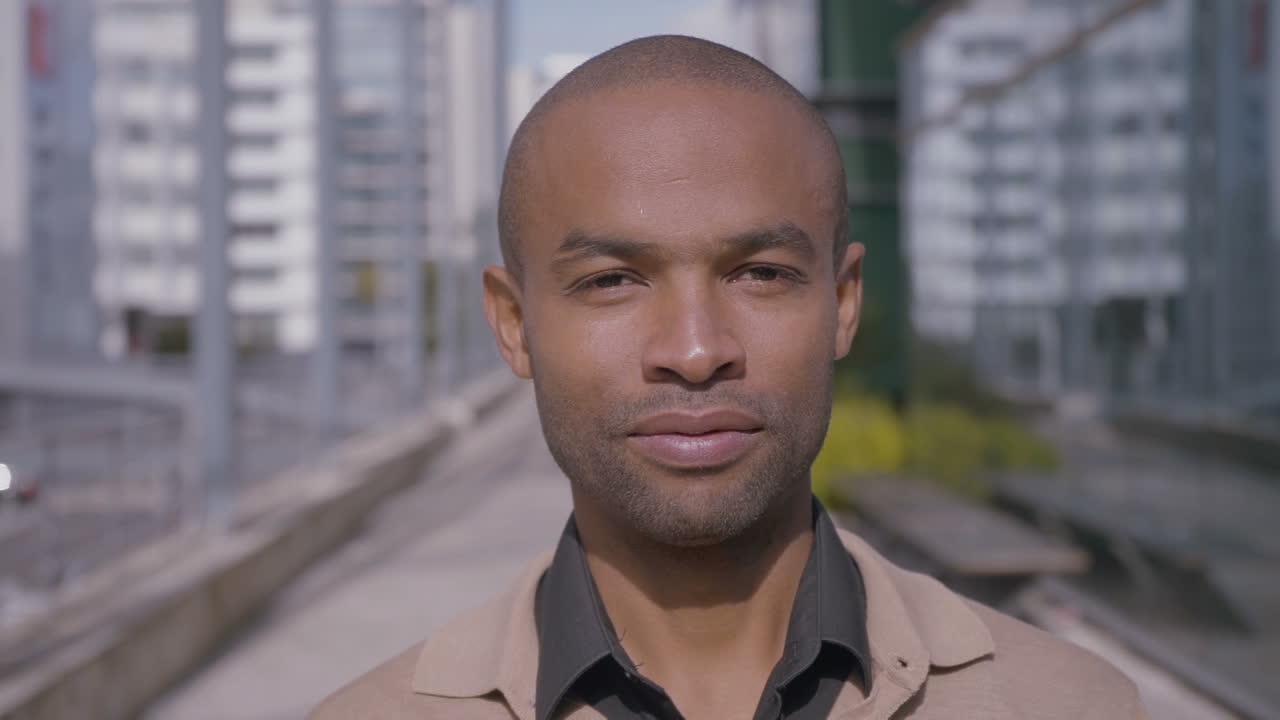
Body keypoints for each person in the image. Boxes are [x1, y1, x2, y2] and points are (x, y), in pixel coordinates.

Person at [310, 35, 1147, 719]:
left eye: (761, 273)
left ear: (844, 303)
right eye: (611, 280)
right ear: (513, 323)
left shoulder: (1072, 704)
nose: (696, 348)